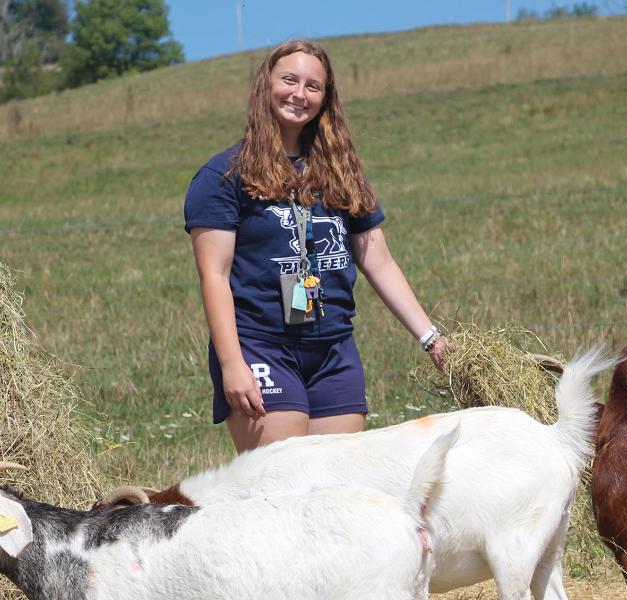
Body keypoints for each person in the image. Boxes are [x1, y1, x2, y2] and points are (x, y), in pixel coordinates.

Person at [184, 40, 447, 453]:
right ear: (264, 86)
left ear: (326, 98)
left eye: (313, 86)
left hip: (334, 351)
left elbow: (377, 260)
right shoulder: (222, 176)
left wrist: (431, 338)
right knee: (280, 489)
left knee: (337, 492)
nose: (299, 94)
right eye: (289, 80)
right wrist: (233, 364)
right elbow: (214, 276)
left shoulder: (342, 171)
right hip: (261, 346)